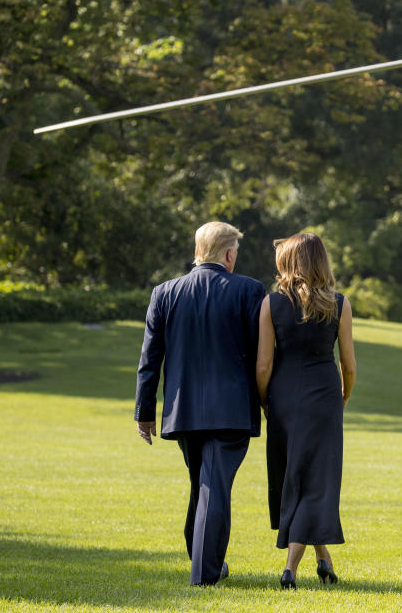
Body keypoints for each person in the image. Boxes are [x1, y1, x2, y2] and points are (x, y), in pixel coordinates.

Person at [135, 221, 266, 585]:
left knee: (203, 483)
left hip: (184, 410)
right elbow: (262, 356)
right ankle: (205, 573)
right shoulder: (250, 291)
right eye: (235, 253)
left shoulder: (165, 292)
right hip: (233, 410)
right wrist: (269, 401)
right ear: (228, 254)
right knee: (213, 485)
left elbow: (150, 359)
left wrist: (144, 413)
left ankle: (202, 558)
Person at [256, 232, 356, 589]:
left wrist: (266, 399)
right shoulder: (339, 304)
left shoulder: (271, 304)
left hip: (284, 398)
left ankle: (317, 560)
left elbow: (263, 366)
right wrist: (343, 396)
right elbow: (349, 365)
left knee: (294, 476)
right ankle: (292, 568)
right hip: (324, 397)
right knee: (316, 481)